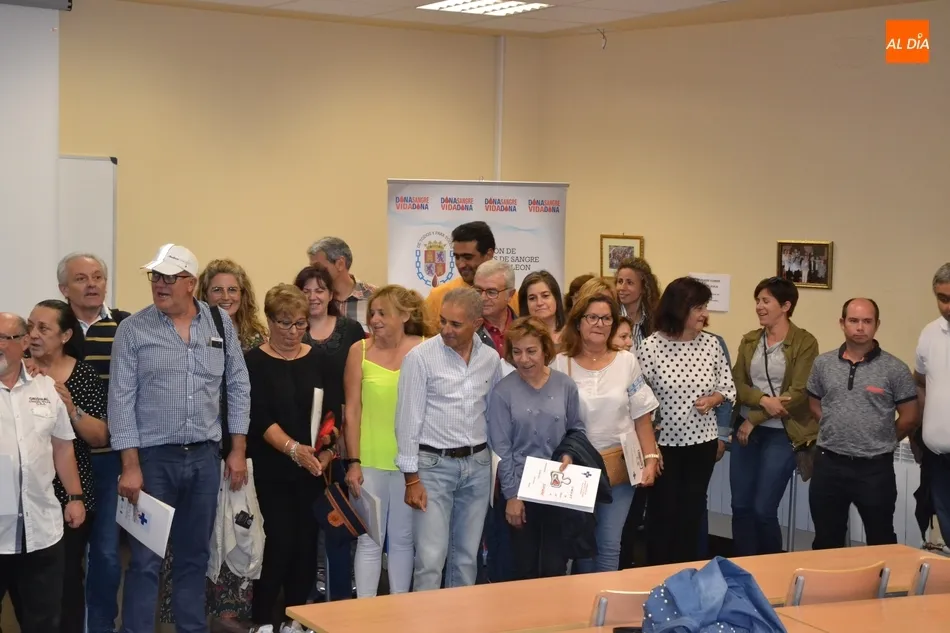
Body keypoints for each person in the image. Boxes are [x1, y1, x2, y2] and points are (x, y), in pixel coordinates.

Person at [109, 243, 251, 633]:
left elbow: (238, 386)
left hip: (205, 458)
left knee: (194, 556)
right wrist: (130, 465)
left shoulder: (219, 323)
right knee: (145, 560)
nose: (160, 284)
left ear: (191, 283)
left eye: (170, 277)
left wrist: (237, 450)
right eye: (155, 276)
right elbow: (120, 400)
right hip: (154, 460)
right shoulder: (133, 329)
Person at [155, 258, 268, 627]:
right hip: (195, 445)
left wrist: (238, 448)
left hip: (237, 444)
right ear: (202, 292)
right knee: (189, 537)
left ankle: (227, 613)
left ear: (244, 294)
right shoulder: (185, 329)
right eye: (217, 289)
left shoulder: (256, 338)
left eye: (232, 289)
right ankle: (185, 612)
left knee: (234, 528)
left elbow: (247, 393)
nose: (225, 296)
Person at [246, 284, 343, 626]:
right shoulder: (253, 362)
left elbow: (332, 413)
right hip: (271, 469)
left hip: (311, 469)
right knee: (278, 544)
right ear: (269, 320)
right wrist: (292, 449)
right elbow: (258, 417)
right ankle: (262, 620)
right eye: (285, 323)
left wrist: (327, 452)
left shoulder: (320, 360)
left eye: (300, 323)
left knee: (305, 546)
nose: (293, 331)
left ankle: (296, 620)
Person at [9, 301, 108, 633]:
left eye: (43, 328)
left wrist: (70, 407)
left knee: (62, 582)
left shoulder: (81, 376)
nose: (33, 335)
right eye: (30, 327)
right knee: (22, 585)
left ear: (65, 335)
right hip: (18, 499)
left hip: (66, 495)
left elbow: (98, 437)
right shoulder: (18, 370)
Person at [395, 287, 501, 591]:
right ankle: (424, 617)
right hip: (433, 467)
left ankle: (460, 616)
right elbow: (407, 420)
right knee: (430, 559)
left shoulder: (491, 358)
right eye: (442, 321)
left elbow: (493, 413)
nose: (445, 329)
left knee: (466, 559)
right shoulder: (420, 358)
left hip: (478, 465)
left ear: (477, 324)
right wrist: (411, 478)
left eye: (455, 324)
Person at [550, 290, 660, 573]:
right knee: (582, 546)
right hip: (575, 467)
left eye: (606, 318)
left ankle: (604, 600)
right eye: (592, 317)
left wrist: (650, 459)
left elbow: (642, 415)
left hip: (619, 466)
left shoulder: (626, 361)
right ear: (578, 322)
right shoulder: (560, 363)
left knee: (610, 545)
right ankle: (583, 599)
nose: (599, 324)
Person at [638, 277, 736, 565]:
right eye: (699, 307)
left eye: (705, 307)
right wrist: (649, 448)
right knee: (662, 513)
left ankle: (688, 573)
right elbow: (638, 399)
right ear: (680, 309)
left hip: (701, 444)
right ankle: (657, 573)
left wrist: (713, 399)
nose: (705, 314)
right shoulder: (651, 347)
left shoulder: (712, 345)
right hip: (663, 447)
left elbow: (727, 387)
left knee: (691, 513)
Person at [56, 252, 130, 633]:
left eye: (98, 277)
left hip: (109, 457)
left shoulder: (126, 327)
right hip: (61, 460)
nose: (92, 285)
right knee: (63, 558)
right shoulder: (52, 328)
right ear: (63, 288)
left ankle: (101, 627)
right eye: (82, 278)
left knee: (106, 555)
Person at [807, 298, 919, 549]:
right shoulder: (823, 364)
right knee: (826, 539)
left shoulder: (895, 369)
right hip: (829, 464)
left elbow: (910, 416)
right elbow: (814, 404)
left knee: (881, 538)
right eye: (854, 320)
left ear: (877, 325)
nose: (860, 327)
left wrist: (883, 439)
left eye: (867, 321)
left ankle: (880, 577)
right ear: (842, 323)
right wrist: (835, 426)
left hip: (874, 468)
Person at [0, 312, 86, 633]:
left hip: (41, 528)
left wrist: (75, 497)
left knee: (44, 620)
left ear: (24, 342)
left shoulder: (46, 387)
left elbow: (63, 447)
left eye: (5, 338)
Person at [343, 285, 428, 598]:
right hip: (369, 461)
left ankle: (399, 611)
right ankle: (366, 613)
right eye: (372, 313)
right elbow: (352, 410)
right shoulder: (359, 351)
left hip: (411, 464)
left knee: (403, 540)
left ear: (404, 316)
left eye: (383, 313)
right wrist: (353, 462)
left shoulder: (425, 349)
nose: (374, 320)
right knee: (369, 540)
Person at [730, 277, 819, 556]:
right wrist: (763, 401)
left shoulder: (805, 342)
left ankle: (770, 568)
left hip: (783, 431)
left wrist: (754, 418)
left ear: (786, 306)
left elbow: (799, 392)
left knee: (762, 509)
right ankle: (742, 567)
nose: (759, 306)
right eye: (757, 300)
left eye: (766, 301)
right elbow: (736, 383)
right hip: (746, 430)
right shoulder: (750, 340)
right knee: (740, 506)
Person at [488, 317, 582, 580]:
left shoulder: (565, 385)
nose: (524, 359)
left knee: (556, 566)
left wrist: (569, 454)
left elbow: (577, 429)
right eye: (517, 352)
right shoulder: (502, 392)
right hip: (521, 490)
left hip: (559, 487)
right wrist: (512, 496)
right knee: (524, 568)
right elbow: (501, 449)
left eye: (531, 351)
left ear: (545, 350)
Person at [294, 265, 363, 601]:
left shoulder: (351, 330)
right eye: (306, 290)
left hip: (340, 438)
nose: (313, 296)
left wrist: (343, 442)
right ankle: (307, 598)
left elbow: (357, 391)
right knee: (305, 525)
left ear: (332, 294)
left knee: (338, 521)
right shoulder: (290, 330)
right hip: (299, 443)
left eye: (320, 289)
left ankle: (340, 597)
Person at [423, 222, 517, 328]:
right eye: (457, 257)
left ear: (488, 254)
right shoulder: (438, 296)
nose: (461, 264)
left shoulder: (513, 297)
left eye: (468, 257)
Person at [916, 263, 950, 542]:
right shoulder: (930, 332)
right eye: (943, 298)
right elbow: (920, 381)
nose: (949, 307)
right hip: (938, 460)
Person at [307, 237, 378, 333]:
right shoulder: (311, 299)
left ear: (340, 264)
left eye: (318, 267)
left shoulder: (374, 297)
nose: (314, 273)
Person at [614, 258, 660, 352]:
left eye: (629, 283)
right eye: (620, 281)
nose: (622, 288)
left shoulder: (655, 317)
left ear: (644, 287)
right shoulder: (611, 315)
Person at [474, 260, 516, 353]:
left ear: (510, 295)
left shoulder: (526, 329)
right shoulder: (465, 330)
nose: (482, 298)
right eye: (478, 290)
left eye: (491, 292)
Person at [518, 270, 566, 345]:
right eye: (532, 298)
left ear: (556, 298)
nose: (539, 303)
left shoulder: (573, 333)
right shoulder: (518, 337)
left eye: (545, 296)